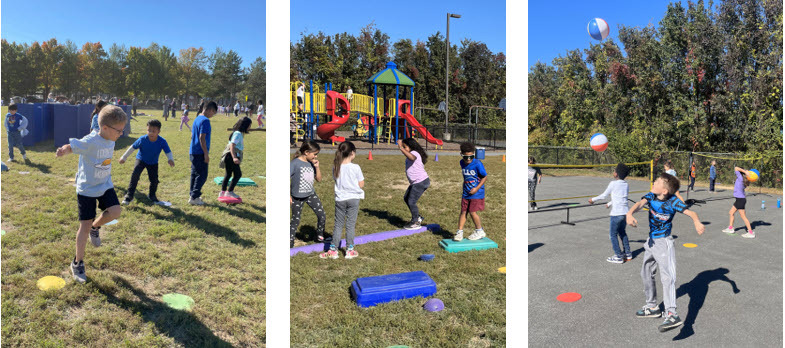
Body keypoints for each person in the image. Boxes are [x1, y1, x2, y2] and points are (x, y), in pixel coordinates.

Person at [56, 105, 128, 283]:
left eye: (122, 130)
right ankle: (77, 262)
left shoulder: (110, 137)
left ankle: (96, 228)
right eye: (119, 130)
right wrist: (65, 150)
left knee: (116, 211)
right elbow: (73, 146)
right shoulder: (90, 141)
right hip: (87, 189)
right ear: (105, 128)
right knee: (84, 226)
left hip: (104, 185)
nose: (121, 133)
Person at [626, 173, 704, 332]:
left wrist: (697, 222)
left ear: (664, 191)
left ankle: (671, 314)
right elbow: (640, 204)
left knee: (667, 277)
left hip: (664, 243)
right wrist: (629, 213)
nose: (653, 182)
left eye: (657, 182)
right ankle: (652, 306)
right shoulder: (651, 196)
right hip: (651, 241)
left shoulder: (673, 201)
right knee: (646, 272)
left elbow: (691, 213)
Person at [320, 141, 364, 259]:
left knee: (338, 225)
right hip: (353, 199)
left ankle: (333, 250)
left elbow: (336, 181)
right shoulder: (356, 167)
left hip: (340, 199)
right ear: (352, 153)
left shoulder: (335, 167)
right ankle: (350, 250)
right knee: (350, 225)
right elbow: (361, 184)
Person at [119, 119, 174, 204]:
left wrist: (170, 159)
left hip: (153, 163)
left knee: (154, 180)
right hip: (141, 160)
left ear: (159, 131)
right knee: (135, 176)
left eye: (153, 131)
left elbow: (168, 151)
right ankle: (129, 196)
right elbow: (132, 147)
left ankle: (152, 196)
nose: (151, 133)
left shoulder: (162, 141)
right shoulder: (142, 139)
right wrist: (124, 157)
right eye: (149, 130)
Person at [589, 163, 631, 263]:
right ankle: (628, 254)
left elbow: (604, 195)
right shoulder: (626, 184)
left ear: (616, 174)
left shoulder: (613, 183)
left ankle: (618, 256)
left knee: (613, 235)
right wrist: (609, 203)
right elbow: (620, 197)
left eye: (614, 170)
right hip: (625, 213)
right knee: (622, 233)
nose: (613, 172)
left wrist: (593, 199)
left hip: (616, 214)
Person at [290, 141, 326, 247]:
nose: (316, 156)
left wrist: (317, 167)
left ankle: (319, 236)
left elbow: (319, 179)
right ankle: (290, 239)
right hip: (297, 197)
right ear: (306, 152)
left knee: (322, 215)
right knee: (295, 219)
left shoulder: (312, 163)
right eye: (314, 154)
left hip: (310, 195)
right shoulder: (295, 163)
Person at [454, 142, 488, 241]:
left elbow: (484, 177)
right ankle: (459, 232)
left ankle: (479, 231)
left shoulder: (477, 163)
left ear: (474, 154)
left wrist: (476, 189)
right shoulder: (461, 162)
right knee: (463, 211)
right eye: (466, 157)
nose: (468, 159)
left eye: (471, 156)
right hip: (466, 192)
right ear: (461, 155)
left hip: (477, 193)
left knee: (472, 212)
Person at [397, 138, 430, 230]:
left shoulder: (414, 153)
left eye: (405, 147)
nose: (403, 148)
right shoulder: (412, 154)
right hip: (416, 182)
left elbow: (412, 157)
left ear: (411, 146)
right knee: (406, 198)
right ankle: (418, 217)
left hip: (420, 181)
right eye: (403, 146)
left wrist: (400, 147)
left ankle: (415, 222)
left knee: (411, 201)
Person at [189, 101, 217, 205]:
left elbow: (192, 136)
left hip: (193, 151)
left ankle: (192, 195)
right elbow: (202, 137)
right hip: (200, 152)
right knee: (202, 175)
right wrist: (206, 153)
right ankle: (194, 197)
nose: (212, 115)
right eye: (213, 113)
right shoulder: (205, 121)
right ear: (210, 110)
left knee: (194, 174)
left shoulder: (197, 118)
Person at [219, 117, 252, 200]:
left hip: (229, 156)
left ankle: (222, 192)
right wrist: (234, 157)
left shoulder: (238, 133)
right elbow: (232, 145)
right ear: (245, 125)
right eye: (249, 125)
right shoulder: (238, 134)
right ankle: (229, 192)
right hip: (231, 156)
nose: (250, 127)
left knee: (228, 174)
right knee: (238, 174)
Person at [722, 167, 755, 238]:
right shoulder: (743, 179)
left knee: (743, 216)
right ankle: (730, 228)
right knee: (731, 212)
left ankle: (750, 232)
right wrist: (745, 172)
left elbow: (736, 168)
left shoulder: (740, 178)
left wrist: (745, 172)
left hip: (740, 200)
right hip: (740, 200)